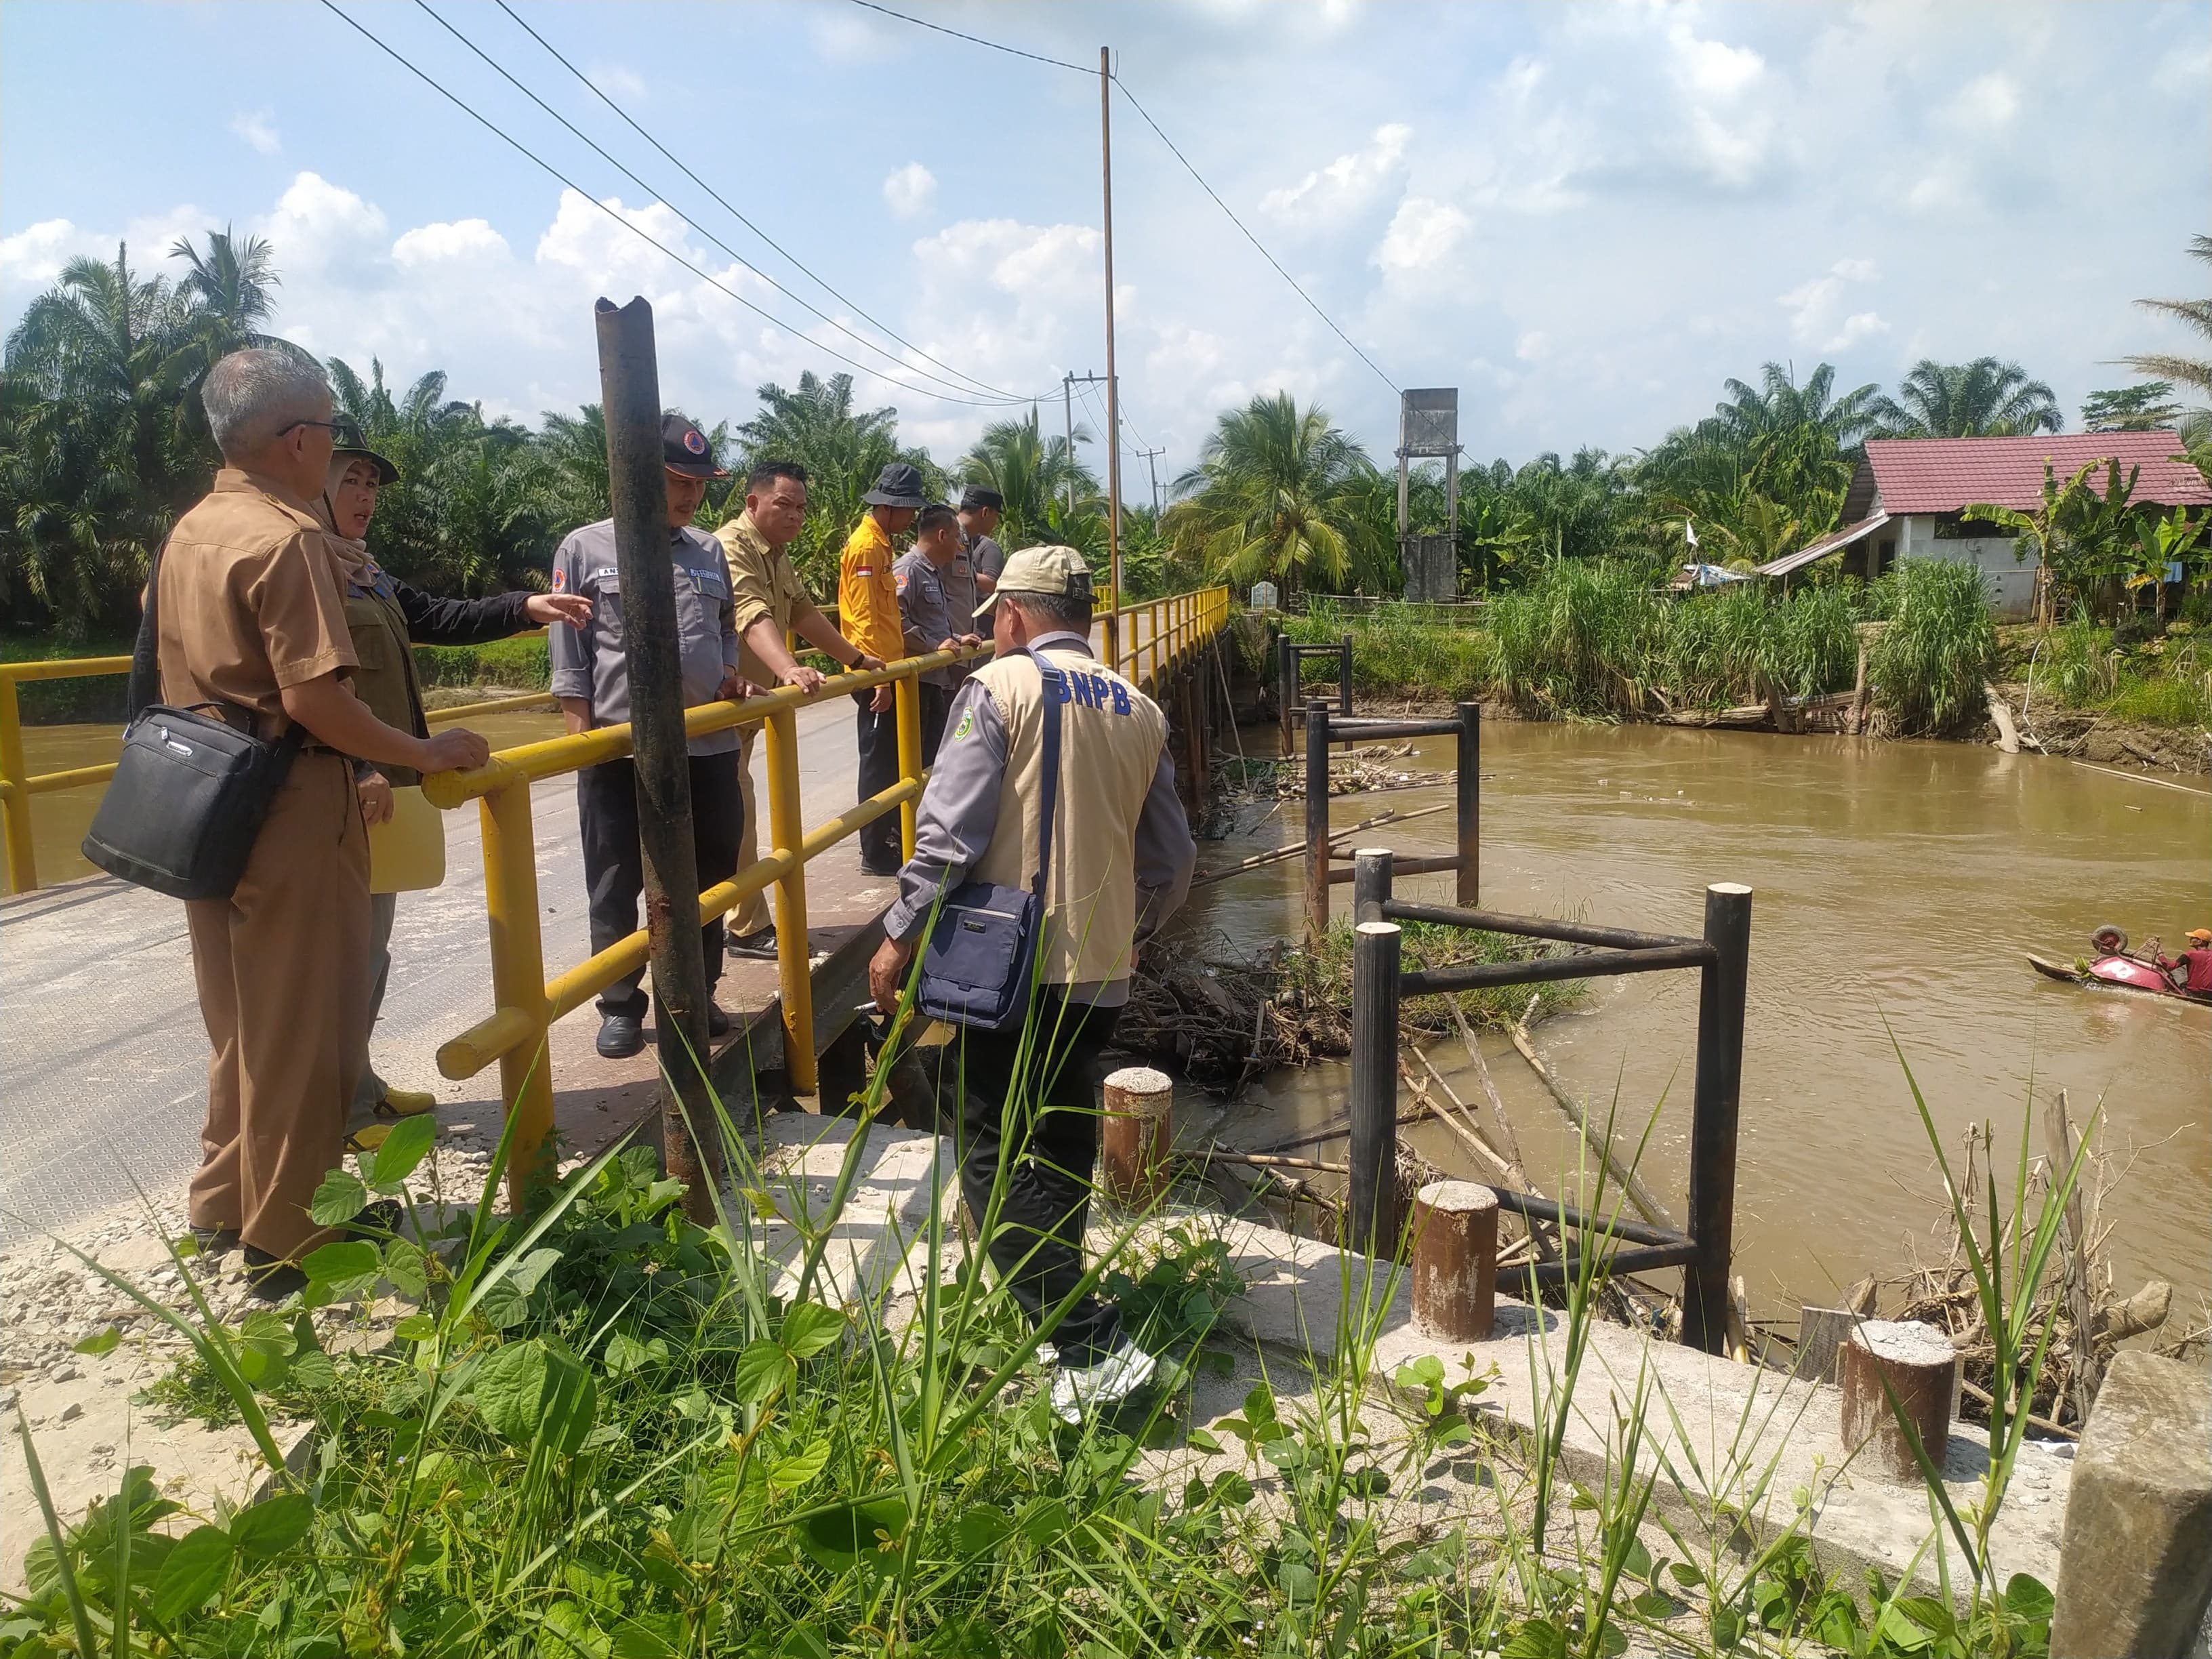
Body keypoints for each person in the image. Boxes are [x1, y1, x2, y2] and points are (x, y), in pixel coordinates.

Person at [161, 348, 490, 1298]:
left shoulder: (195, 527)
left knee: (242, 1023)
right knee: (306, 1027)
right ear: (300, 441)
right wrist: (425, 754)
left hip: (205, 794)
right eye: (331, 428)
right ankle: (289, 1238)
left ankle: (224, 1204)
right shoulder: (289, 538)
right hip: (291, 801)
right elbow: (316, 701)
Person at [866, 546, 1196, 1426]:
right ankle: (1071, 1355)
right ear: (1084, 619)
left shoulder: (999, 688)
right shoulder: (1140, 708)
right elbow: (1174, 860)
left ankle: (1094, 1344)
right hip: (1100, 976)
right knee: (1057, 1151)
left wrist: (899, 932)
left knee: (984, 1159)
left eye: (993, 616)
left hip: (1006, 971)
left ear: (1011, 615)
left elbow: (950, 830)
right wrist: (1133, 932)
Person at [313, 431, 592, 1134]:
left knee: (369, 950)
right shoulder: (303, 570)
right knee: (341, 956)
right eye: (352, 480)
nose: (366, 497)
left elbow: (438, 615)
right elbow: (302, 690)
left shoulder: (364, 570)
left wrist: (527, 607)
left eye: (373, 484)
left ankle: (360, 1082)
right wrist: (357, 764)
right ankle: (338, 1110)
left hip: (389, 792)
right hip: (342, 790)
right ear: (312, 480)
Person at [550, 414, 750, 1060]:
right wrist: (582, 742)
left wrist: (726, 673)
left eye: (699, 484)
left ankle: (697, 989)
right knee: (615, 882)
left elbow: (723, 625)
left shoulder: (708, 551)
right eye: (677, 481)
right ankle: (619, 1004)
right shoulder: (584, 549)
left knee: (713, 877)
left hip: (708, 745)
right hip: (619, 751)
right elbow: (570, 655)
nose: (691, 496)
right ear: (637, 475)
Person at [712, 460, 886, 959]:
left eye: (801, 509)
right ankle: (743, 927)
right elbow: (752, 615)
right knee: (734, 815)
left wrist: (853, 658)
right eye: (783, 505)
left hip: (744, 709)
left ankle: (731, 923)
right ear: (753, 503)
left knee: (730, 815)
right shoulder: (731, 546)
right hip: (717, 707)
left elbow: (802, 611)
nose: (795, 517)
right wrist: (790, 668)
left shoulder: (776, 553)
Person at [838, 462, 926, 874]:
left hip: (888, 670)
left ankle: (887, 839)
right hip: (876, 674)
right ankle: (874, 851)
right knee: (877, 766)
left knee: (891, 762)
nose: (911, 518)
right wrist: (881, 679)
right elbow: (865, 616)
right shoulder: (867, 547)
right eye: (907, 510)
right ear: (889, 508)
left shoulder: (881, 544)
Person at [893, 503, 983, 762]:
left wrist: (956, 638)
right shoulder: (907, 570)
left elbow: (930, 620)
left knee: (933, 757)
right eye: (957, 538)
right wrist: (934, 647)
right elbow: (896, 620)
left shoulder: (931, 572)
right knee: (914, 759)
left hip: (934, 678)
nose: (959, 545)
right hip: (916, 680)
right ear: (942, 536)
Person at [958, 486, 1006, 599]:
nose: (996, 523)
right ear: (985, 512)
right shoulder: (950, 536)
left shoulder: (968, 539)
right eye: (995, 516)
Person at [2154, 928, 2212, 994]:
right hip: (2210, 994)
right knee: (2182, 969)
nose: (2190, 939)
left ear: (2200, 941)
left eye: (2193, 938)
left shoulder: (2190, 955)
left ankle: (2168, 990)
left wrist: (2159, 953)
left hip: (2194, 992)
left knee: (2175, 971)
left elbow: (2169, 967)